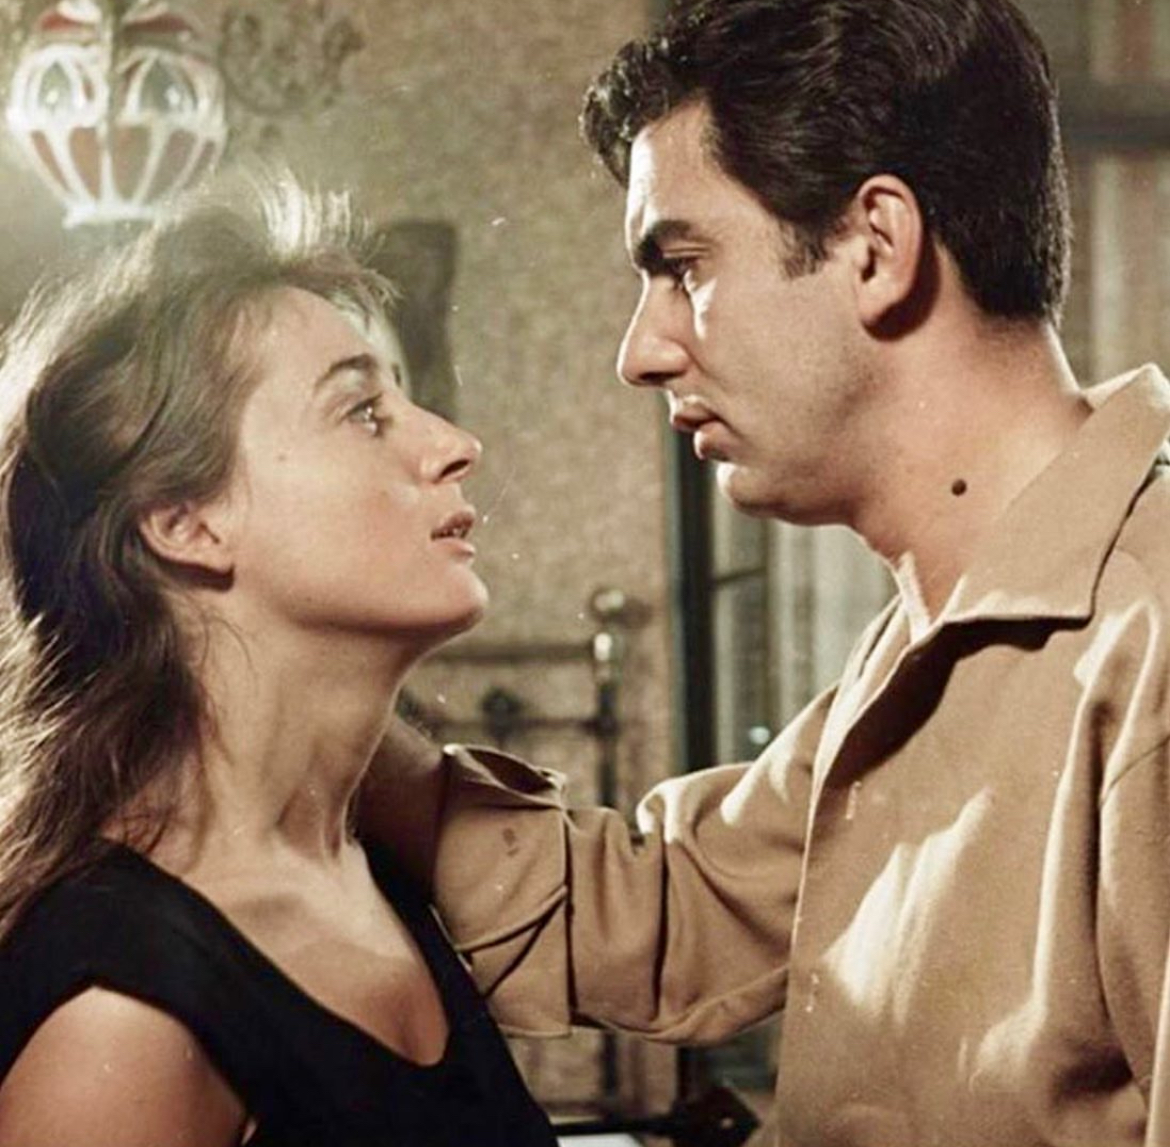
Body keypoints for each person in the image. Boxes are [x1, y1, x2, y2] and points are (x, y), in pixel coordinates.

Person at [368, 0, 1170, 1143]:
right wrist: (287, 702)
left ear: (875, 248)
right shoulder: (939, 630)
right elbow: (662, 913)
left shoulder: (1148, 638)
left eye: (683, 265)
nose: (640, 352)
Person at [0, 178, 557, 1147]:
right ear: (186, 521)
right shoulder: (120, 1022)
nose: (454, 444)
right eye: (364, 411)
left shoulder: (375, 871)